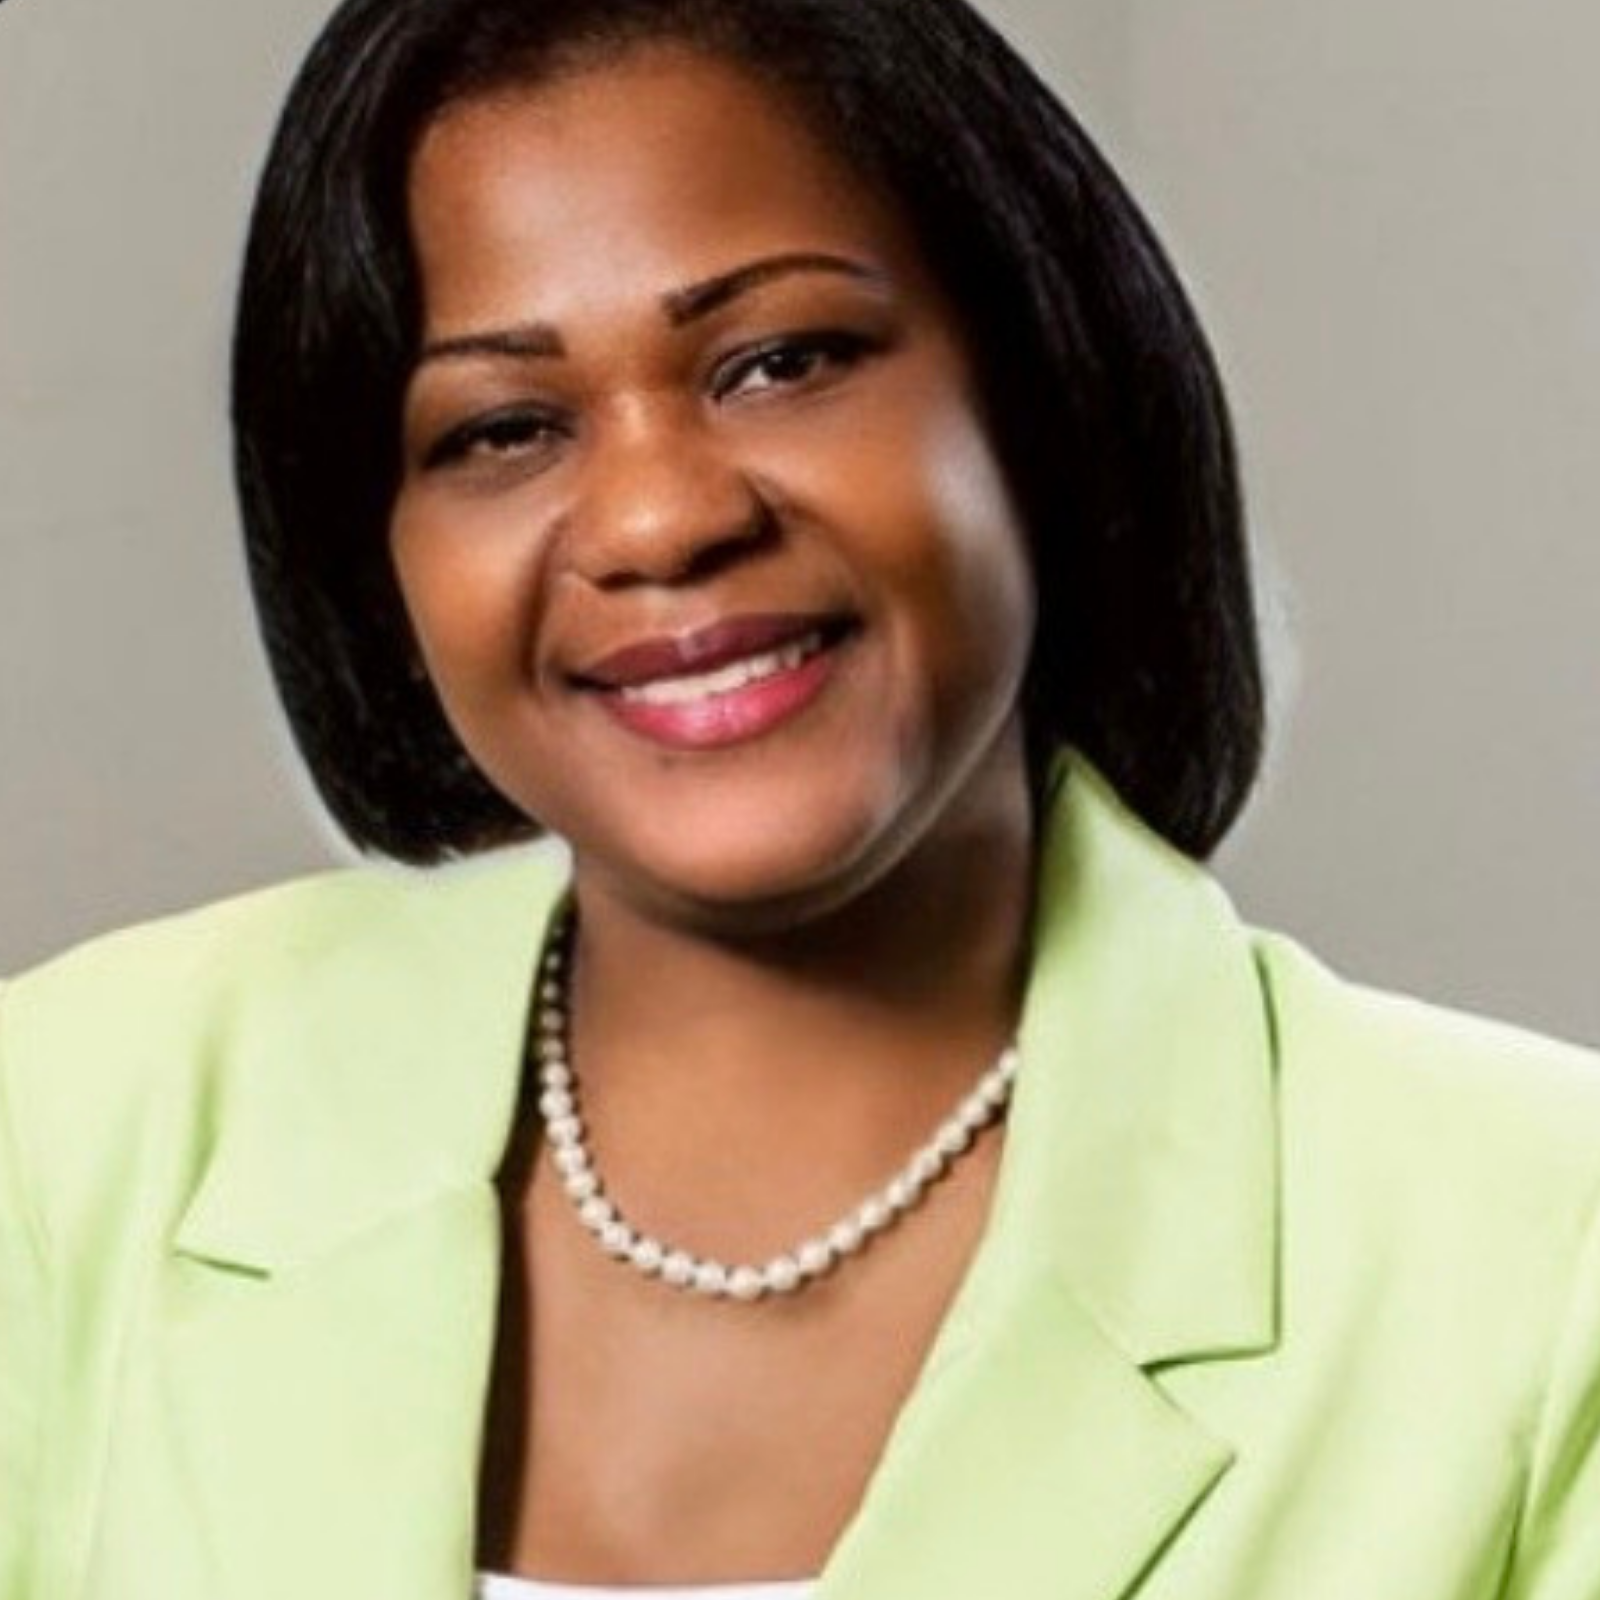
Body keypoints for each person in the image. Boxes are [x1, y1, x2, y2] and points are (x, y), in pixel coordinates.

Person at [2, 0, 1598, 1596]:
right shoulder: (65, 1135)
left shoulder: (1540, 1258)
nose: (660, 519)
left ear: (1039, 385)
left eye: (782, 362)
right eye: (503, 430)